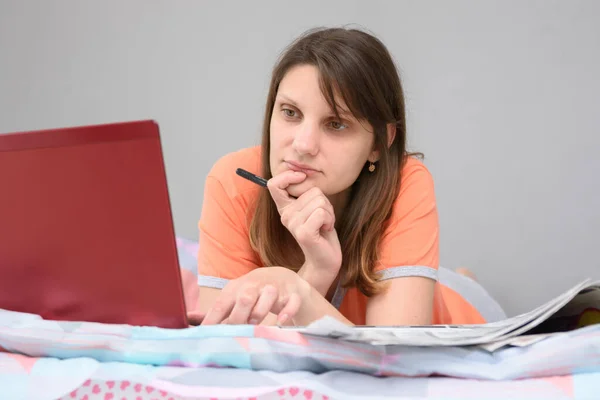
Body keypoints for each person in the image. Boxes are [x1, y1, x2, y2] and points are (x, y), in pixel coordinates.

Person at [192, 26, 487, 327]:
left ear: (378, 143)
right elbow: (222, 345)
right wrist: (316, 273)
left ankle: (466, 281)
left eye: (335, 124)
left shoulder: (406, 182)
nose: (303, 145)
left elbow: (394, 355)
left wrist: (295, 290)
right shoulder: (231, 180)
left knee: (464, 288)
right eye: (290, 113)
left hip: (462, 312)